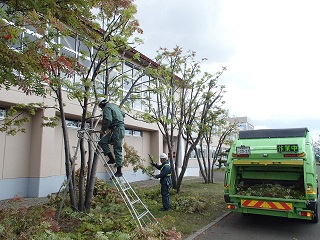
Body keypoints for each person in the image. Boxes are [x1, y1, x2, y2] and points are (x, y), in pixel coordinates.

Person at [97, 97, 125, 177]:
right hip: (115, 130)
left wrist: (103, 129)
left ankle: (119, 171)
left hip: (117, 130)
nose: (102, 109)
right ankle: (111, 159)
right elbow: (123, 114)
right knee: (102, 142)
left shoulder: (107, 108)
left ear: (102, 104)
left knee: (117, 149)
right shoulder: (114, 106)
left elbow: (108, 119)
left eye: (101, 107)